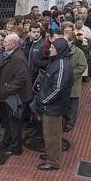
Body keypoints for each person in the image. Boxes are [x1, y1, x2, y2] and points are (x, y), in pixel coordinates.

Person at [36, 38, 73, 171]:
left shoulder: (63, 65)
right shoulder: (56, 61)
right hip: (50, 106)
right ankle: (50, 154)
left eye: (53, 48)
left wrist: (44, 101)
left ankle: (53, 161)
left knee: (52, 134)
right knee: (48, 133)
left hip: (53, 107)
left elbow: (57, 89)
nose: (50, 49)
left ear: (60, 50)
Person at [0, 33, 31, 156]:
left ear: (14, 44)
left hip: (16, 97)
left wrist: (8, 89)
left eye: (6, 42)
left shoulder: (18, 58)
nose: (3, 44)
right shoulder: (12, 55)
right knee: (9, 122)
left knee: (15, 123)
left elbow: (21, 78)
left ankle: (15, 148)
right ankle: (7, 142)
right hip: (10, 96)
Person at [62, 30, 88, 132]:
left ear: (71, 41)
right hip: (62, 83)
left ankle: (69, 123)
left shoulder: (78, 52)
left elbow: (82, 66)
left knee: (72, 104)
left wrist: (69, 74)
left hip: (73, 83)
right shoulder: (61, 50)